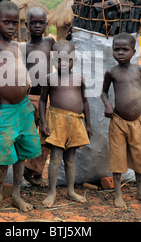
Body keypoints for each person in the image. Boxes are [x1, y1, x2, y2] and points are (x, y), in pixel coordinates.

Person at [0, 1, 41, 213]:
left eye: (15, 23)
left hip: (23, 108)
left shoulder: (17, 47)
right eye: (6, 22)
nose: (10, 26)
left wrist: (30, 101)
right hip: (5, 110)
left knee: (21, 152)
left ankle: (17, 195)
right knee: (2, 155)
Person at [101, 32, 141, 208]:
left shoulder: (139, 69)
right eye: (117, 49)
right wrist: (107, 105)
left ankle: (140, 192)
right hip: (118, 121)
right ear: (112, 51)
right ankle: (118, 195)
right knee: (117, 158)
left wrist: (140, 98)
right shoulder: (111, 72)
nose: (121, 53)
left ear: (134, 51)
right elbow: (103, 92)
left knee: (140, 155)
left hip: (137, 121)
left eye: (125, 49)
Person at [39, 40, 92, 208]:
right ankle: (52, 192)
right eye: (58, 59)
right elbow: (42, 101)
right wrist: (43, 121)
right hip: (57, 121)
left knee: (70, 158)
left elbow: (84, 101)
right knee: (55, 157)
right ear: (53, 60)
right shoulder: (49, 78)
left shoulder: (79, 78)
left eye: (67, 59)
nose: (62, 63)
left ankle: (70, 191)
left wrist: (88, 124)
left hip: (76, 121)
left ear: (74, 60)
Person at [22, 7, 55, 187]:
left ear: (46, 25)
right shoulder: (22, 48)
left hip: (46, 98)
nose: (37, 25)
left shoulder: (50, 42)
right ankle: (22, 170)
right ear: (26, 25)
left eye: (40, 22)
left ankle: (33, 171)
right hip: (27, 98)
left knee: (45, 135)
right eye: (33, 22)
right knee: (27, 135)